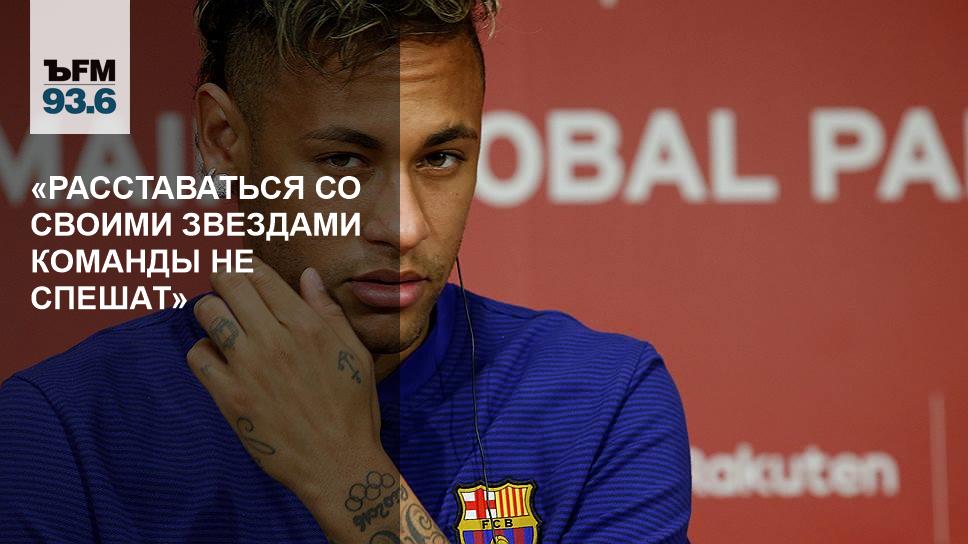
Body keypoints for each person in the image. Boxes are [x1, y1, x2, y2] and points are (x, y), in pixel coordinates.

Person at [0, 1, 692, 542]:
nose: (405, 227)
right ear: (222, 139)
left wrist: (344, 472)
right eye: (343, 161)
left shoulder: (602, 405)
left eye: (440, 158)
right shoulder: (59, 433)